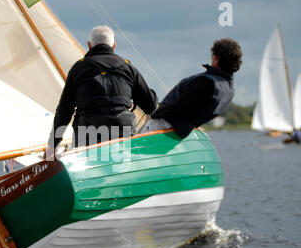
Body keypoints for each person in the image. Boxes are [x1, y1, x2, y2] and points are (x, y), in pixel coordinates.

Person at [45, 25, 158, 158]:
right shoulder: (128, 68)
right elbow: (151, 106)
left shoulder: (78, 68)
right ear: (113, 45)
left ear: (89, 45)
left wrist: (52, 146)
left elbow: (64, 111)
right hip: (122, 133)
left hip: (87, 135)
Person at [141, 38, 243, 139]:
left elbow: (178, 105)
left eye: (213, 55)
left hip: (163, 126)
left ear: (217, 60)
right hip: (182, 131)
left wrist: (155, 114)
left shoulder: (207, 82)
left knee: (128, 133)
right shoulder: (230, 88)